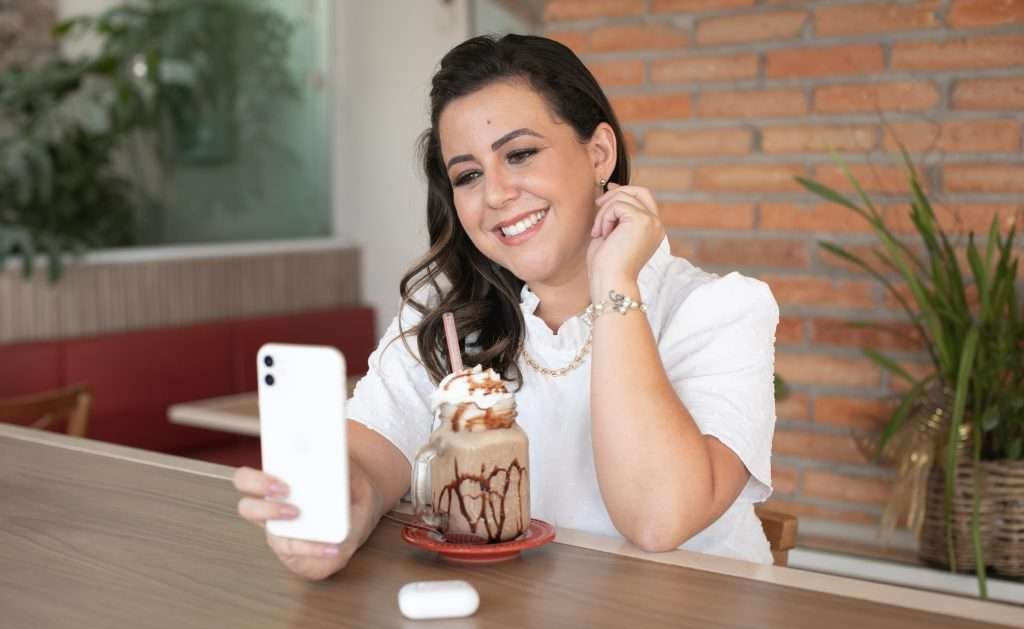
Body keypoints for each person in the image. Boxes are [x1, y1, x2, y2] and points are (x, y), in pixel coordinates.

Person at [233, 34, 779, 580]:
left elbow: (659, 520)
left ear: (599, 154)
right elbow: (369, 456)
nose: (494, 194)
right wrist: (342, 504)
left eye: (519, 154)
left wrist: (614, 280)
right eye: (468, 175)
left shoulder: (722, 309)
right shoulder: (445, 316)